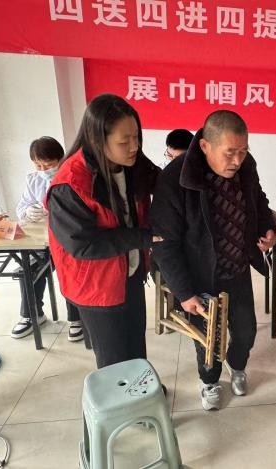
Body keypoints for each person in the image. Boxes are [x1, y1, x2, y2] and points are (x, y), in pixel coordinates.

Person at [150, 110, 276, 411]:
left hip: (237, 268)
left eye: (243, 151)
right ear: (205, 146)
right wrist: (184, 292)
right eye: (230, 152)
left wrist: (266, 228)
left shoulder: (246, 164)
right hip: (200, 275)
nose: (237, 160)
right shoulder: (175, 178)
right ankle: (209, 380)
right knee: (207, 338)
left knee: (245, 330)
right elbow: (164, 243)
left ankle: (237, 365)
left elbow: (257, 199)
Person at [46, 94, 160, 369]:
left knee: (135, 343)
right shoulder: (70, 184)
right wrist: (145, 237)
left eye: (137, 137)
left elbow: (163, 183)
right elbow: (83, 244)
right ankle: (120, 395)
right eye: (124, 141)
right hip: (96, 286)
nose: (134, 147)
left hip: (130, 272)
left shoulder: (132, 163)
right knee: (113, 359)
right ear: (97, 140)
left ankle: (140, 388)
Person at [10, 137, 83, 342]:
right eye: (38, 165)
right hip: (42, 240)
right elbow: (22, 207)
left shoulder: (72, 176)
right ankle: (32, 314)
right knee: (28, 268)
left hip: (66, 240)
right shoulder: (33, 179)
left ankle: (76, 319)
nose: (43, 170)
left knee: (70, 270)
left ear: (60, 159)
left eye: (48, 165)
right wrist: (28, 212)